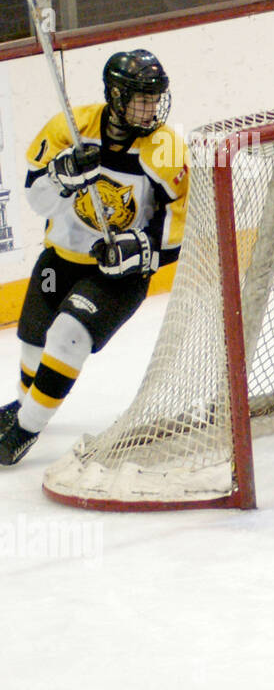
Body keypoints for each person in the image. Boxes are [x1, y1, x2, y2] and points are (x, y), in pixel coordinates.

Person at [0, 49, 188, 465]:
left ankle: (25, 431)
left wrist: (140, 250)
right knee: (32, 341)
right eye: (141, 98)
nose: (151, 108)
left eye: (155, 98)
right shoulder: (70, 130)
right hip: (61, 259)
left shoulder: (165, 149)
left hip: (117, 276)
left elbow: (179, 224)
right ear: (116, 96)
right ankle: (23, 406)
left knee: (68, 334)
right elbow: (36, 200)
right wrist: (63, 175)